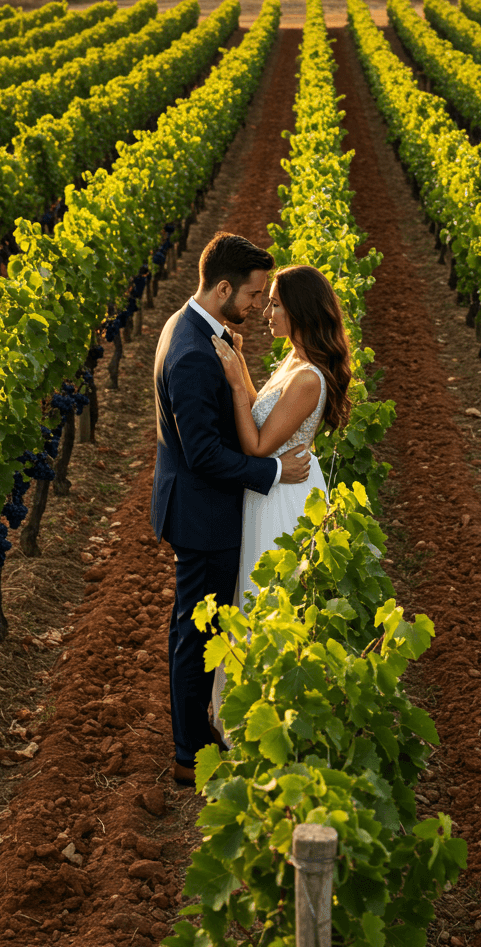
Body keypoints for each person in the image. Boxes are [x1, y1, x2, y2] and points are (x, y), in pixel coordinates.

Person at [151, 232, 311, 787]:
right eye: (253, 294)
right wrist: (274, 471)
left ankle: (197, 735)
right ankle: (188, 752)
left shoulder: (190, 327)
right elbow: (203, 455)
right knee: (196, 632)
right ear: (223, 288)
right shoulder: (194, 354)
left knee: (200, 625)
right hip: (203, 516)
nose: (258, 304)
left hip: (202, 509)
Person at [209, 264, 353, 739]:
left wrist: (235, 381)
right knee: (255, 597)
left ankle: (272, 725)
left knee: (269, 601)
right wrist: (243, 367)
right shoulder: (293, 360)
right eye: (267, 302)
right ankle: (251, 723)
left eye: (275, 304)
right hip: (269, 489)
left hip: (283, 499)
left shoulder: (308, 378)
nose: (266, 312)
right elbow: (262, 414)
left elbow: (256, 445)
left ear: (299, 309)